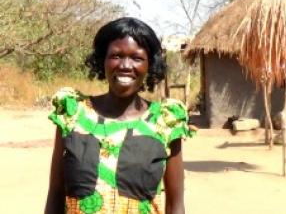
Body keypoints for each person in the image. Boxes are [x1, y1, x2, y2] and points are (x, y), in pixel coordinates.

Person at [45, 17, 194, 214]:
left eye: (137, 58)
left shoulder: (165, 122)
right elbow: (55, 195)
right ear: (102, 61)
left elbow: (175, 205)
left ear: (150, 65)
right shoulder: (74, 114)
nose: (125, 65)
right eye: (116, 56)